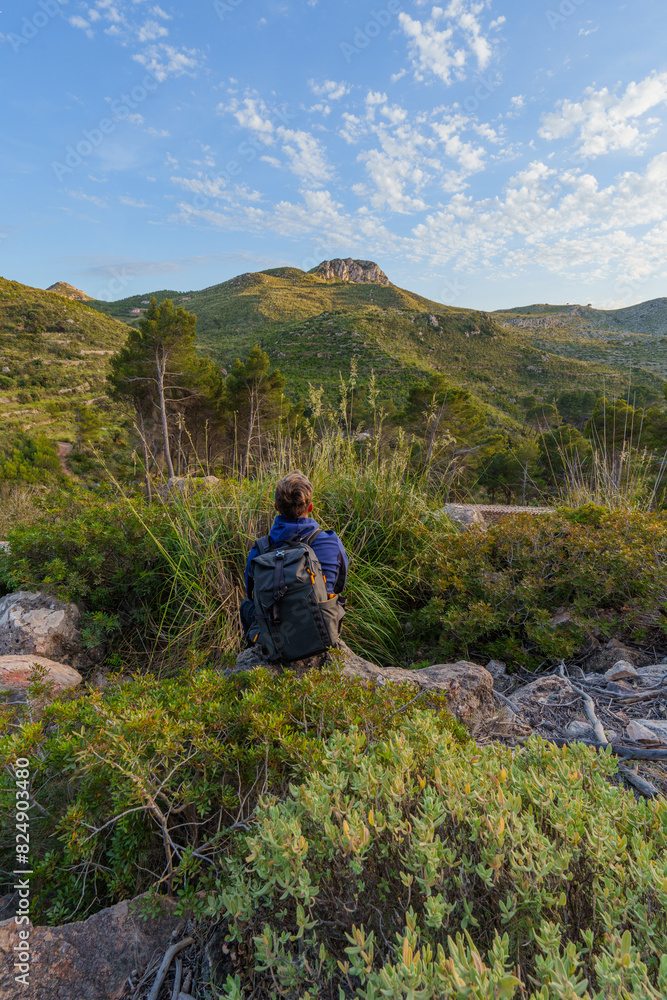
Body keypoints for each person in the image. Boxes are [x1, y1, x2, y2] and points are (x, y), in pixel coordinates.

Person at [241, 471, 348, 654]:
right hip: (319, 629)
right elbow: (339, 586)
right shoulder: (330, 541)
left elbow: (252, 595)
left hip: (278, 631)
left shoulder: (260, 549)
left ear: (276, 506)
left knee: (246, 606)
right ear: (311, 507)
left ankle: (256, 651)